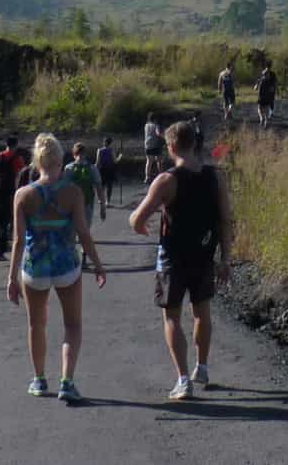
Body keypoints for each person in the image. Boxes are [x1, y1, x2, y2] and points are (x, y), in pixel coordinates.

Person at [130, 119, 234, 401]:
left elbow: (137, 218)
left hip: (173, 259)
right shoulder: (216, 177)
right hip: (204, 256)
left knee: (172, 316)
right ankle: (202, 366)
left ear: (172, 146)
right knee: (202, 312)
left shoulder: (167, 180)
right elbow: (226, 220)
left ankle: (183, 378)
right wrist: (225, 259)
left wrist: (140, 223)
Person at [7, 133, 107, 404]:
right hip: (66, 266)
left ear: (36, 162)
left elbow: (17, 240)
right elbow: (84, 235)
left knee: (36, 324)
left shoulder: (23, 195)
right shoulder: (72, 192)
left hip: (35, 266)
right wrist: (98, 266)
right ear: (60, 160)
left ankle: (39, 380)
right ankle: (67, 381)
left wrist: (11, 277)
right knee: (72, 325)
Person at [66, 142, 100, 228]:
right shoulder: (91, 168)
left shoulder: (69, 168)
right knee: (83, 228)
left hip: (79, 202)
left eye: (80, 154)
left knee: (78, 229)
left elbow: (63, 187)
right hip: (81, 202)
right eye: (79, 154)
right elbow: (99, 187)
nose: (80, 156)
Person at [95, 136, 118, 218]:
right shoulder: (111, 150)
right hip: (109, 169)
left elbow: (97, 162)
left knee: (102, 185)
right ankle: (107, 201)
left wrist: (95, 170)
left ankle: (101, 199)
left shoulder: (99, 150)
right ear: (110, 143)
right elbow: (115, 161)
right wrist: (120, 157)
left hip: (102, 169)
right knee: (109, 186)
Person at [142, 113, 166, 183]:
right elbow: (158, 133)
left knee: (149, 161)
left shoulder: (146, 125)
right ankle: (161, 175)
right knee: (159, 160)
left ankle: (147, 177)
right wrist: (165, 137)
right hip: (155, 145)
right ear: (155, 119)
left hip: (147, 145)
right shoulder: (156, 125)